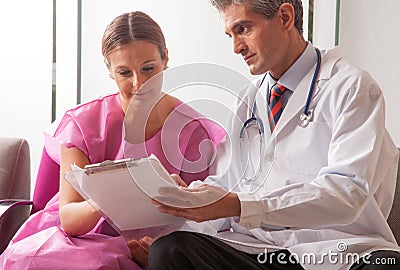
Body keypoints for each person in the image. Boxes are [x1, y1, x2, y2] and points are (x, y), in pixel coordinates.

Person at [149, 1, 400, 269]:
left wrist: (242, 207)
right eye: (230, 35)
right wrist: (186, 203)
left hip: (339, 250)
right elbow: (227, 184)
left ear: (284, 17)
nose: (236, 47)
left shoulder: (352, 87)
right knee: (170, 249)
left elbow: (346, 194)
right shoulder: (247, 100)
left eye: (243, 29)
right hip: (261, 250)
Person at [0, 11, 225, 270]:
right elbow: (70, 220)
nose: (138, 83)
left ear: (165, 58)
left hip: (155, 242)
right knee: (31, 260)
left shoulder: (194, 131)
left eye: (148, 68)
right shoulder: (83, 124)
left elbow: (202, 222)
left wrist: (181, 197)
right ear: (110, 71)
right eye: (124, 72)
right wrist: (109, 196)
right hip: (78, 238)